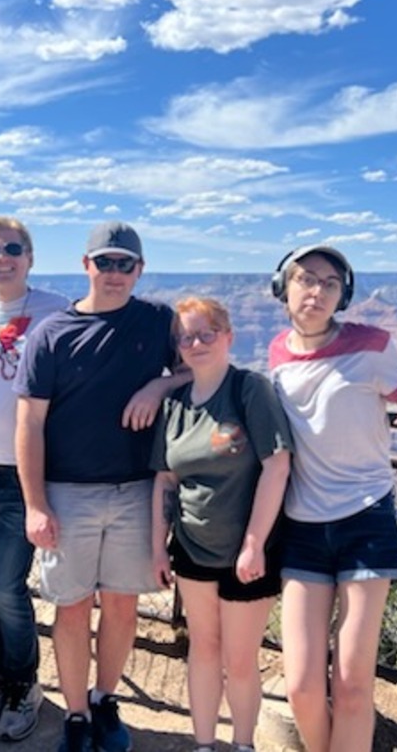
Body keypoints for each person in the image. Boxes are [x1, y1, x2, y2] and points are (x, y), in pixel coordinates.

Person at [14, 220, 187, 752]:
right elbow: (30, 424)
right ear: (86, 266)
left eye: (125, 264)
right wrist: (35, 504)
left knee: (121, 605)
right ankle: (74, 714)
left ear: (140, 270)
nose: (115, 273)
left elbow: (200, 370)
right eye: (105, 262)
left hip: (138, 491)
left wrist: (160, 382)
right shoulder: (52, 334)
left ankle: (105, 699)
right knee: (71, 607)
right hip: (68, 491)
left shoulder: (159, 320)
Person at [267, 245, 397, 752]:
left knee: (351, 683)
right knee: (300, 685)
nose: (316, 290)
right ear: (284, 288)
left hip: (365, 519)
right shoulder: (277, 351)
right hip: (301, 524)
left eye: (329, 282)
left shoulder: (372, 345)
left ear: (343, 295)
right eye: (305, 279)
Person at [150, 297, 292, 752]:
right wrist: (158, 545)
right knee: (203, 651)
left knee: (241, 659)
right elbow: (165, 480)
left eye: (206, 333)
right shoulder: (174, 404)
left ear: (228, 336)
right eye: (186, 337)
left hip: (247, 553)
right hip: (192, 547)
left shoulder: (250, 390)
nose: (195, 343)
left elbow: (277, 465)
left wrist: (254, 544)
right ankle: (205, 744)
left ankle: (243, 744)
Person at [0, 217, 66, 741]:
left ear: (30, 256)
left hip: (26, 473)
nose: (3, 257)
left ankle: (25, 683)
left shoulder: (55, 309)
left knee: (5, 587)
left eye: (13, 248)